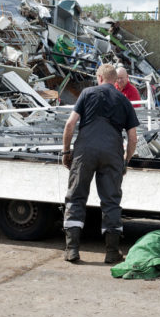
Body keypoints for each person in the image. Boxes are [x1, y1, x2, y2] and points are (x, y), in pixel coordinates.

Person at [61, 63, 139, 264]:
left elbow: (70, 124)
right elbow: (133, 138)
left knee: (76, 197)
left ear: (100, 78)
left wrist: (66, 151)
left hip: (85, 151)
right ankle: (112, 252)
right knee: (111, 201)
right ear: (115, 80)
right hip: (112, 153)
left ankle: (72, 250)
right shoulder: (123, 99)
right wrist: (126, 161)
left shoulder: (87, 93)